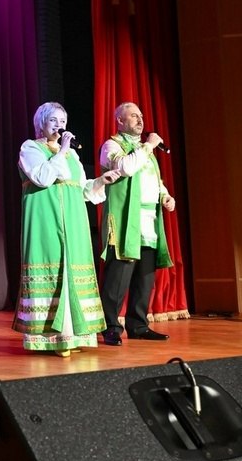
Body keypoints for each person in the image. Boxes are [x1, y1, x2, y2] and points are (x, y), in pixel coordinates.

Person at [12, 102, 119, 356]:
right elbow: (43, 178)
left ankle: (74, 334)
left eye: (62, 121)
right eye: (53, 120)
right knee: (53, 269)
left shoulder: (71, 155)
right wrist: (62, 151)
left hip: (73, 219)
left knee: (73, 270)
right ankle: (53, 338)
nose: (59, 126)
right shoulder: (31, 148)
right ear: (41, 123)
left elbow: (81, 189)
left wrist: (100, 181)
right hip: (45, 218)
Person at [98, 101, 176, 345]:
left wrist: (165, 195)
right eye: (133, 116)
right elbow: (126, 167)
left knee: (145, 278)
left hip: (149, 221)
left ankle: (138, 325)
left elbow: (153, 179)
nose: (140, 119)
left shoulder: (144, 150)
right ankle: (110, 326)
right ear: (120, 121)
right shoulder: (112, 145)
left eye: (141, 115)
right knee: (118, 277)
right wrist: (148, 146)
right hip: (125, 220)